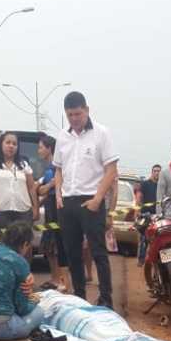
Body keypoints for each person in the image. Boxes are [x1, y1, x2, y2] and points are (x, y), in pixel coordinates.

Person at [54, 90, 119, 308]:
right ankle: (80, 298)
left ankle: (106, 299)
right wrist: (58, 195)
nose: (74, 119)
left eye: (78, 114)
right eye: (70, 115)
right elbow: (58, 169)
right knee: (72, 253)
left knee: (98, 252)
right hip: (67, 202)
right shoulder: (62, 136)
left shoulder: (102, 133)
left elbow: (111, 170)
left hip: (91, 200)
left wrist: (98, 199)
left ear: (87, 110)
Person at [36, 132, 70, 290]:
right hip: (50, 209)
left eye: (41, 147)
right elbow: (42, 191)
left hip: (57, 210)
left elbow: (45, 190)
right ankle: (56, 279)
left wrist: (48, 186)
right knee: (50, 247)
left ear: (50, 149)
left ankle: (61, 281)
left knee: (56, 246)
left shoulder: (55, 168)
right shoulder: (48, 169)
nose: (39, 151)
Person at [137, 164, 161, 266]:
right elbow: (139, 196)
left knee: (158, 238)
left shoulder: (162, 185)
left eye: (159, 171)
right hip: (146, 214)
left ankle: (156, 260)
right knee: (144, 238)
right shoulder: (145, 184)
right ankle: (141, 259)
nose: (157, 173)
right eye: (155, 171)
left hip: (158, 215)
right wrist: (138, 210)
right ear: (152, 172)